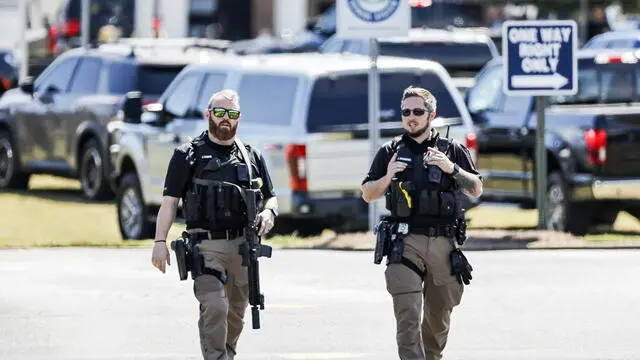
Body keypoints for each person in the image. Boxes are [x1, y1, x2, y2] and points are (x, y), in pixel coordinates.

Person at [151, 89, 278, 360]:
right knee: (215, 306)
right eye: (220, 113)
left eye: (231, 114)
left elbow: (271, 197)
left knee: (235, 314)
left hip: (243, 248)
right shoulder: (188, 155)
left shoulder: (251, 155)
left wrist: (269, 214)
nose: (225, 120)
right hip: (205, 246)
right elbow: (170, 201)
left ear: (239, 118)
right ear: (208, 115)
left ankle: (225, 355)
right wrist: (159, 242)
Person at [361, 86, 482, 360]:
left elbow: (476, 188)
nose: (411, 117)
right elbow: (368, 194)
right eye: (406, 112)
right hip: (404, 243)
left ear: (432, 114)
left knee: (438, 320)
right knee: (408, 315)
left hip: (443, 242)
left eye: (418, 111)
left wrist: (452, 169)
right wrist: (387, 176)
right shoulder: (390, 151)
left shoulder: (451, 149)